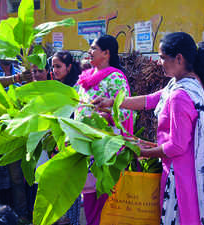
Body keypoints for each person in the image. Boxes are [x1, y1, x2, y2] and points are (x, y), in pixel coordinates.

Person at [93, 32, 204, 225]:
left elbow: (176, 147)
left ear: (179, 59)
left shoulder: (179, 95)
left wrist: (141, 152)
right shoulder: (188, 84)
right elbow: (150, 100)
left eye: (162, 58)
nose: (159, 63)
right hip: (192, 169)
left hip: (181, 176)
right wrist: (112, 102)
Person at [75, 35, 133, 225]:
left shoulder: (115, 77)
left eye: (94, 48)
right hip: (86, 147)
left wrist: (106, 115)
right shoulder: (85, 79)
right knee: (89, 196)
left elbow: (124, 111)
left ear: (106, 53)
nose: (90, 52)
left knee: (104, 199)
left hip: (106, 149)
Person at [0, 56, 33, 223]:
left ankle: (21, 216)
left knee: (17, 176)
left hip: (13, 129)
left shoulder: (19, 70)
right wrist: (16, 79)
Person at [50, 50, 82, 225]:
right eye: (53, 66)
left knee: (71, 187)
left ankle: (73, 221)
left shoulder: (76, 88)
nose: (55, 70)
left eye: (58, 66)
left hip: (72, 141)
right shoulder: (57, 86)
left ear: (69, 67)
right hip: (59, 142)